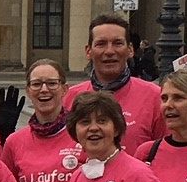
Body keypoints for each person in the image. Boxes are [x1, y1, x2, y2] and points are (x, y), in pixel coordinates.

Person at [64, 14, 167, 152]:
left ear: (130, 50)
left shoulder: (155, 97)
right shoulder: (70, 98)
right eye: (101, 44)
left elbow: (167, 153)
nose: (109, 51)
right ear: (88, 51)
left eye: (118, 43)